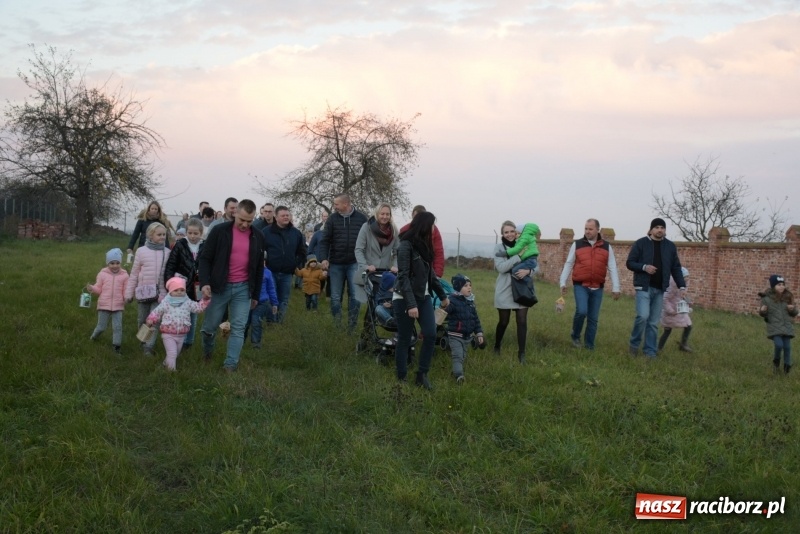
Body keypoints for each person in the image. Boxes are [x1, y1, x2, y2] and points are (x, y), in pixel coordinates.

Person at [198, 199, 265, 372]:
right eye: (241, 219)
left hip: (243, 289)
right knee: (209, 327)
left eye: (249, 221)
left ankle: (230, 365)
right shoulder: (219, 231)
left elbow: (259, 268)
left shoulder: (258, 236)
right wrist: (204, 283)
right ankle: (207, 352)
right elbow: (205, 258)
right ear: (235, 213)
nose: (244, 224)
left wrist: (255, 295)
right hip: (219, 286)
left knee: (238, 328)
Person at [392, 211, 449, 389]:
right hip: (404, 298)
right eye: (432, 225)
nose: (434, 228)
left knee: (431, 334)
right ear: (425, 226)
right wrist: (410, 304)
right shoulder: (405, 245)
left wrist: (442, 296)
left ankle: (421, 375)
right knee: (404, 338)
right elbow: (403, 276)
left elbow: (430, 275)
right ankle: (401, 377)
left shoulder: (425, 246)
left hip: (423, 297)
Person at [626, 218, 686, 358]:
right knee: (642, 316)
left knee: (653, 322)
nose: (660, 230)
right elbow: (630, 263)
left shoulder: (670, 247)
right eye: (657, 227)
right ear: (651, 229)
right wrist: (644, 267)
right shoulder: (641, 243)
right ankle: (634, 345)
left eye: (662, 228)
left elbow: (676, 268)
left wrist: (682, 286)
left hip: (660, 289)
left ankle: (650, 351)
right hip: (643, 287)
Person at [558, 219, 621, 350]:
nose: (587, 231)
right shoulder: (577, 244)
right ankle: (575, 336)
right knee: (581, 311)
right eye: (586, 228)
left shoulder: (606, 246)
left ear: (598, 230)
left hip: (598, 287)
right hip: (581, 285)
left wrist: (616, 288)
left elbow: (612, 267)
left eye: (590, 229)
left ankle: (589, 345)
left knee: (593, 318)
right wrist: (563, 282)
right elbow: (569, 263)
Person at [318, 193, 369, 331]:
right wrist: (323, 258)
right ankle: (337, 326)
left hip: (355, 263)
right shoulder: (332, 219)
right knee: (335, 296)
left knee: (355, 296)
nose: (334, 207)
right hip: (336, 263)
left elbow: (368, 240)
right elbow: (324, 241)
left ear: (345, 204)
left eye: (336, 204)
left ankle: (351, 327)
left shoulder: (361, 218)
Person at [354, 203, 399, 347]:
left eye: (387, 214)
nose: (385, 216)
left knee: (388, 303)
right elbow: (359, 249)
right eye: (382, 214)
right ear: (377, 214)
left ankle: (395, 333)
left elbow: (398, 251)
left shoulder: (393, 231)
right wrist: (366, 266)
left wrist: (396, 266)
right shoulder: (366, 228)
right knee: (372, 304)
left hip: (386, 274)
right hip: (371, 272)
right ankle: (366, 337)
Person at [125, 222, 170, 356]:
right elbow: (134, 273)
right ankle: (142, 340)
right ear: (150, 235)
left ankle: (148, 348)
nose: (162, 237)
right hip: (143, 292)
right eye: (159, 234)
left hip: (160, 293)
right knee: (142, 319)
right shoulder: (141, 251)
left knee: (154, 321)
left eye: (164, 234)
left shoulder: (167, 252)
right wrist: (129, 293)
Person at [146, 277, 209, 370]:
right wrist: (151, 319)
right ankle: (171, 373)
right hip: (168, 334)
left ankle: (165, 364)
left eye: (182, 290)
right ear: (170, 291)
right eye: (176, 290)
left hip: (181, 335)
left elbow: (198, 308)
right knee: (172, 353)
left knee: (175, 354)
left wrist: (205, 300)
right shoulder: (166, 303)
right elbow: (157, 312)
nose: (179, 292)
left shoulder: (187, 302)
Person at [493, 220, 532, 363]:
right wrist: (518, 255)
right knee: (504, 321)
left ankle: (521, 353)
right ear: (502, 234)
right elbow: (502, 268)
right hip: (504, 289)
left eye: (512, 231)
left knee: (522, 321)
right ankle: (497, 345)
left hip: (522, 289)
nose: (509, 234)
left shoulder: (525, 246)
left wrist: (529, 270)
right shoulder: (498, 248)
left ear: (516, 233)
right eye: (506, 232)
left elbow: (535, 265)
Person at [164, 217, 204, 351]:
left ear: (201, 233)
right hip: (180, 285)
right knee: (179, 311)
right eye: (190, 233)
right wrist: (169, 282)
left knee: (193, 312)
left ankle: (189, 341)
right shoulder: (180, 244)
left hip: (197, 284)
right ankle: (175, 337)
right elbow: (171, 264)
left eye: (196, 233)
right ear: (186, 232)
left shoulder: (205, 245)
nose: (192, 236)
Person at [262, 205, 307, 322]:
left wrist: (294, 264)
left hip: (287, 273)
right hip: (271, 271)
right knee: (272, 298)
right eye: (283, 215)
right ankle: (271, 322)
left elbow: (302, 252)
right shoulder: (266, 232)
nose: (286, 217)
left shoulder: (296, 233)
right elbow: (260, 250)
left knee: (284, 299)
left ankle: (280, 322)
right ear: (276, 217)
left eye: (287, 215)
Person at [442, 274, 485, 384]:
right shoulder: (452, 300)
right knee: (457, 356)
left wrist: (479, 333)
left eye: (470, 285)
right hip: (455, 335)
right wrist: (443, 306)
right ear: (458, 288)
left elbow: (475, 319)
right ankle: (459, 375)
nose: (469, 287)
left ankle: (456, 372)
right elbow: (444, 312)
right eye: (466, 285)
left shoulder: (470, 302)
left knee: (463, 356)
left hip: (467, 337)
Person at [86, 248, 129, 355]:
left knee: (117, 327)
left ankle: (116, 347)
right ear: (107, 263)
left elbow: (126, 289)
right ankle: (93, 337)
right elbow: (98, 288)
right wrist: (92, 288)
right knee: (101, 327)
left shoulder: (124, 275)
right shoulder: (102, 274)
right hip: (103, 305)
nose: (115, 266)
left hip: (118, 305)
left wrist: (127, 297)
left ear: (120, 262)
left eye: (117, 263)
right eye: (112, 263)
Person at [759, 275, 797, 374]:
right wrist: (762, 311)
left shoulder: (787, 297)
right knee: (779, 345)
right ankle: (776, 361)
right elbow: (764, 314)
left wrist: (792, 309)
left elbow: (794, 312)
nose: (781, 287)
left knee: (787, 348)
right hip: (774, 327)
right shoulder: (766, 299)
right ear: (773, 286)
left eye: (783, 284)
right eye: (779, 285)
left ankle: (787, 368)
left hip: (787, 327)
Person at [399, 205, 445, 277]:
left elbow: (438, 253)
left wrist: (437, 275)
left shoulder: (434, 231)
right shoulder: (405, 233)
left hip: (428, 274)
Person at [658, 267, 694, 353]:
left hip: (680, 309)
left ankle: (683, 344)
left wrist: (689, 301)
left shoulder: (683, 284)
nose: (687, 280)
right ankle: (658, 349)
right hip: (670, 312)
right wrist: (670, 311)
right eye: (685, 278)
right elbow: (665, 299)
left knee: (688, 326)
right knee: (667, 330)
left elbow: (683, 295)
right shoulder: (671, 286)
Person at [249, 262, 278, 349]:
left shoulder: (267, 272)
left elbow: (271, 288)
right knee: (244, 323)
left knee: (256, 321)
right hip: (246, 301)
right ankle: (240, 342)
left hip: (262, 302)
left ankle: (256, 344)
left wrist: (274, 303)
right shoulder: (248, 270)